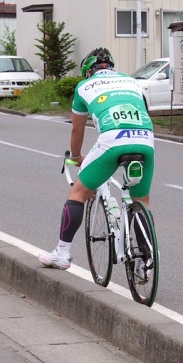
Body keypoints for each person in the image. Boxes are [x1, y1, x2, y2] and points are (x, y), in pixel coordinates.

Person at [39, 47, 155, 270]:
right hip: (145, 139)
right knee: (142, 202)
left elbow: (77, 130)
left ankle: (62, 254)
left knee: (79, 193)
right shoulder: (132, 82)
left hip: (112, 140)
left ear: (88, 71)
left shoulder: (84, 86)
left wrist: (75, 156)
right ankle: (148, 261)